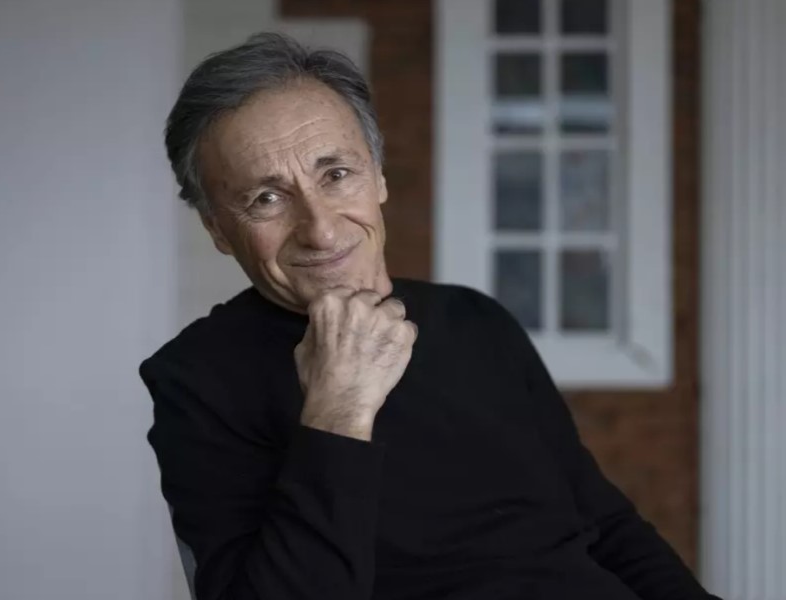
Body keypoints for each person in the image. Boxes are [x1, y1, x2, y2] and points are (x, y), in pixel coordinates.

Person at [140, 32, 720, 600]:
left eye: (336, 175)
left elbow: (605, 524)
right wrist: (338, 411)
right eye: (266, 198)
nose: (320, 229)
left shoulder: (477, 321)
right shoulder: (198, 381)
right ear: (218, 229)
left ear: (379, 176)